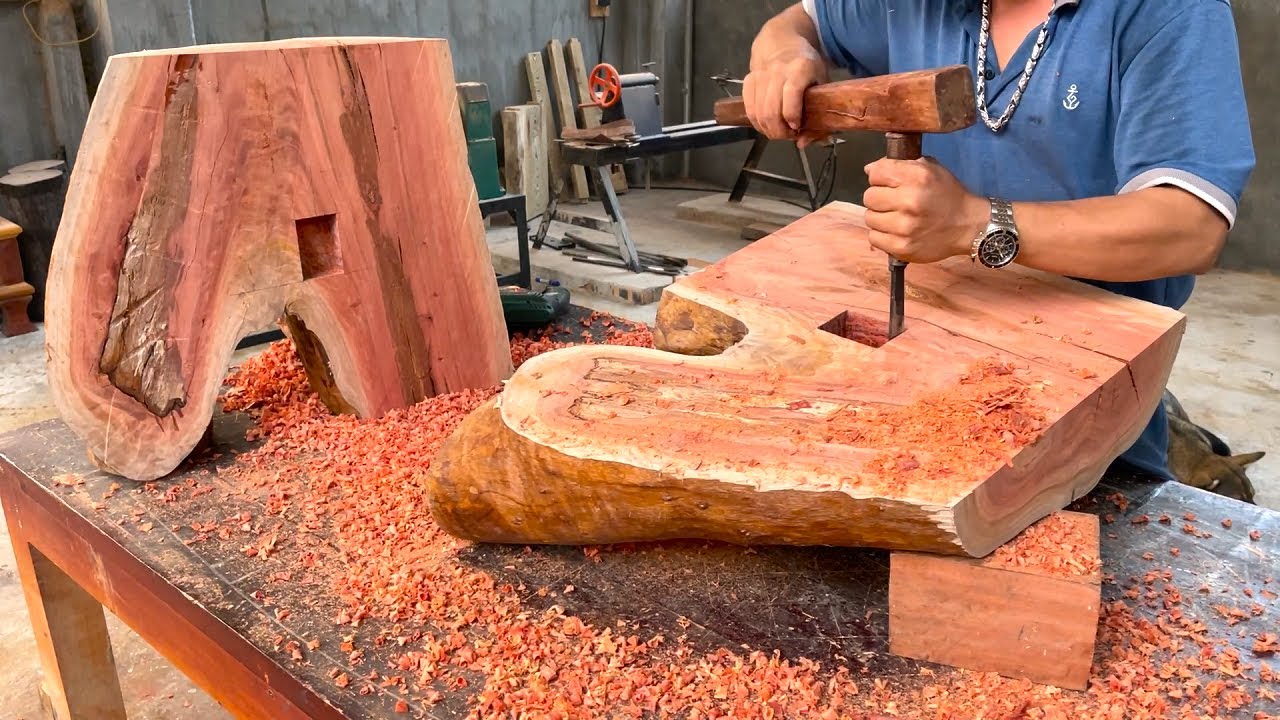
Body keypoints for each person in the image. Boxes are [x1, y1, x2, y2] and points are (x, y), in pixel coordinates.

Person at [742, 0, 1256, 481]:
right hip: (923, 382)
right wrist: (789, 52)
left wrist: (974, 223)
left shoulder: (1167, 12)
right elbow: (799, 21)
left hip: (1085, 414)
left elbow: (1189, 226)